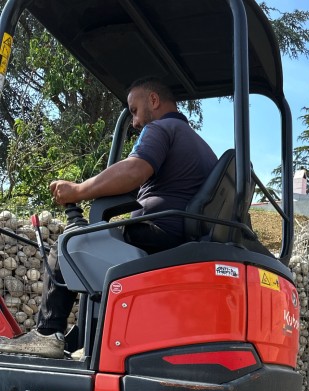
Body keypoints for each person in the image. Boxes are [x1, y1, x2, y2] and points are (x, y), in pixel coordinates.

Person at [0, 76, 218, 358]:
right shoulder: (197, 144)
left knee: (69, 245)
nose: (136, 122)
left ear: (153, 100)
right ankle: (83, 341)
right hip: (180, 239)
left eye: (135, 110)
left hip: (157, 234)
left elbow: (132, 171)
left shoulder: (161, 129)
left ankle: (46, 334)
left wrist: (77, 191)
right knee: (95, 249)